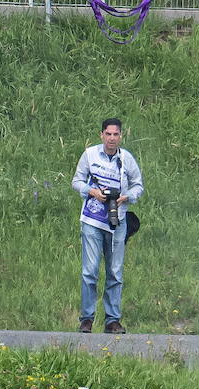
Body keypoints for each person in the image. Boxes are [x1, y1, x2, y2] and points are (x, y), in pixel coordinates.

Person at [72, 117, 144, 334]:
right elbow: (76, 181)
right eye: (108, 134)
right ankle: (86, 319)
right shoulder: (90, 154)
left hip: (117, 221)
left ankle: (112, 320)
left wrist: (126, 197)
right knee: (89, 272)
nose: (112, 138)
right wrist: (92, 192)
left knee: (115, 272)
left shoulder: (127, 159)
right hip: (93, 221)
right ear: (101, 135)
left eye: (116, 134)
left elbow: (138, 186)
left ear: (121, 136)